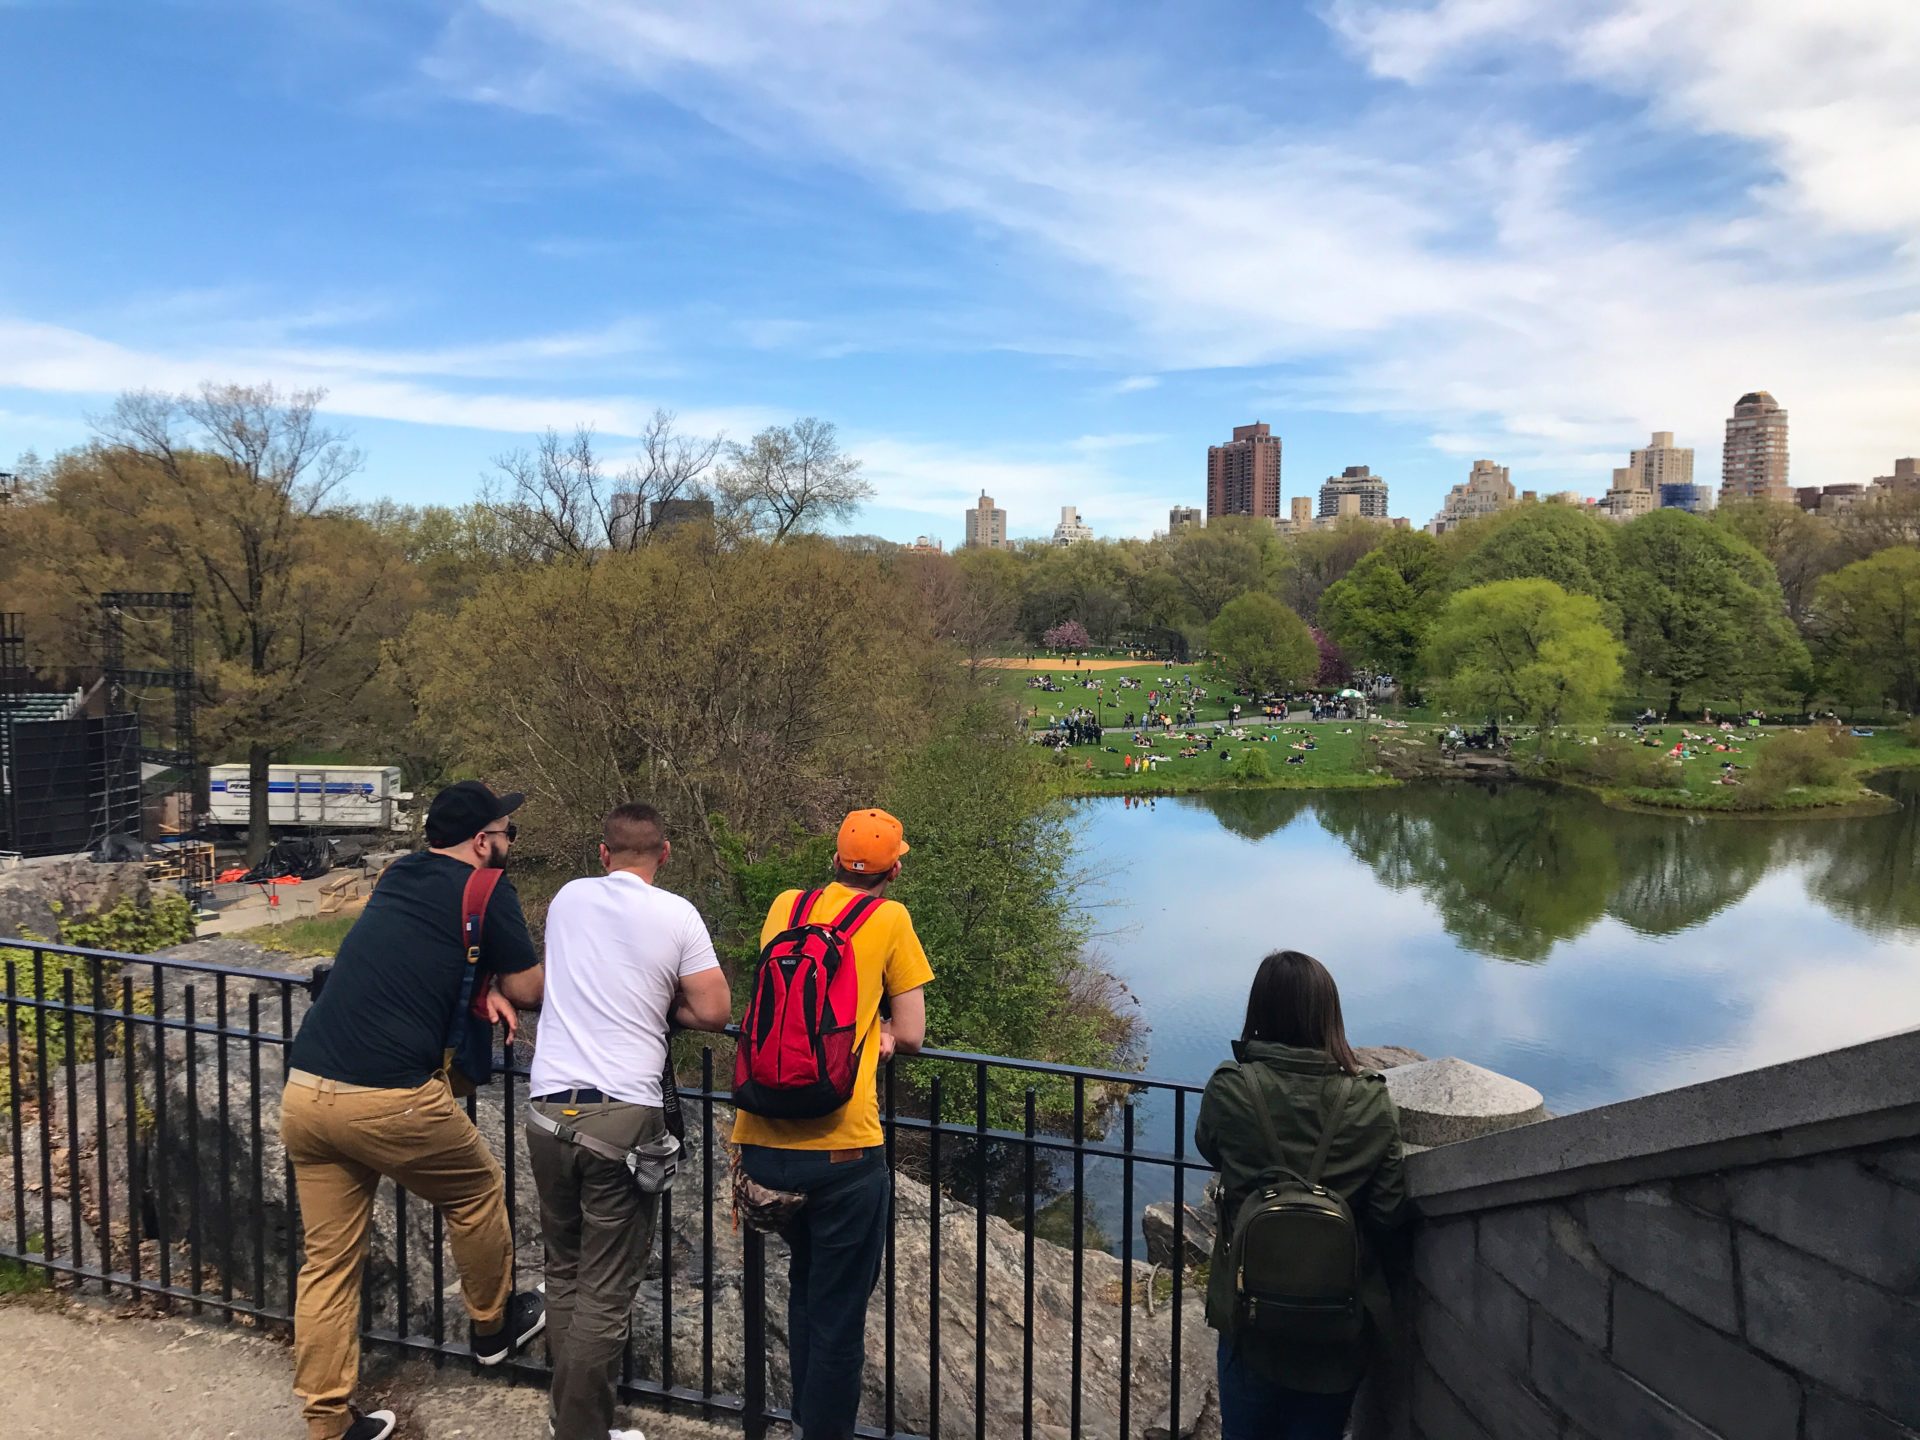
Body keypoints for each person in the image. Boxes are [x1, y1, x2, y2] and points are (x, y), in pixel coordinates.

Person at [282, 780, 549, 1440]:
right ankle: (492, 1327)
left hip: (307, 1089)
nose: (512, 841)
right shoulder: (488, 891)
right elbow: (529, 986)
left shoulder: (400, 876)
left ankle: (326, 1422)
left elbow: (415, 955)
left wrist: (477, 987)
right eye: (506, 832)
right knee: (478, 1192)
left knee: (328, 1265)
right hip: (388, 1099)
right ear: (482, 841)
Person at [526, 802, 733, 1440]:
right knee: (606, 1290)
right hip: (621, 1115)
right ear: (664, 853)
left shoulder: (568, 899)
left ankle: (574, 1421)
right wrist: (660, 1000)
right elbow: (716, 1011)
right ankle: (582, 1433)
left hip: (547, 1109)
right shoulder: (676, 915)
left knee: (562, 1272)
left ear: (603, 852)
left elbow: (551, 979)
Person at [731, 809, 934, 1440]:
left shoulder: (786, 906)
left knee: (804, 1290)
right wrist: (880, 1036)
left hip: (763, 1143)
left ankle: (799, 1423)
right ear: (894, 868)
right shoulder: (891, 917)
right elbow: (915, 1034)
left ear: (834, 858)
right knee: (838, 1317)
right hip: (843, 1154)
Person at [1196, 950, 1409, 1440]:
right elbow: (1389, 1211)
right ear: (1328, 1015)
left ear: (1258, 1012)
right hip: (1336, 1328)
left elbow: (1210, 1147)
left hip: (1250, 1322)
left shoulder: (1232, 1089)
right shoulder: (1370, 1100)